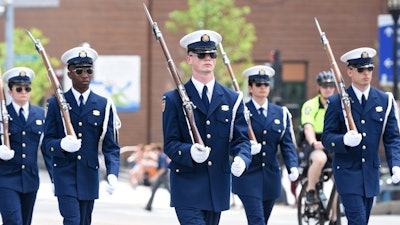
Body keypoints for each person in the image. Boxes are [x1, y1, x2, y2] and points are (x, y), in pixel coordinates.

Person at [162, 29, 251, 225]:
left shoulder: (233, 99)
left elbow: (241, 140)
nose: (207, 58)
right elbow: (169, 144)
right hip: (186, 185)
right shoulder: (174, 99)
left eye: (212, 54)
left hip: (216, 186)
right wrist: (189, 151)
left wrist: (242, 158)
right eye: (201, 55)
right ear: (189, 59)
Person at [42, 46, 120, 225]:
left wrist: (112, 172)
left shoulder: (103, 105)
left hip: (89, 175)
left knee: (84, 221)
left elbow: (111, 145)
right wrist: (61, 144)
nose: (85, 75)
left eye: (89, 70)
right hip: (64, 174)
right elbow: (46, 143)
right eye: (79, 70)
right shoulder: (55, 104)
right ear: (69, 73)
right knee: (72, 220)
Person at [322, 47, 400, 225]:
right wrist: (343, 140)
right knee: (357, 220)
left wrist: (396, 164)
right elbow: (327, 138)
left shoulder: (384, 100)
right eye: (361, 69)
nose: (366, 73)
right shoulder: (336, 102)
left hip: (370, 173)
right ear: (350, 71)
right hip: (347, 172)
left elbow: (392, 137)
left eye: (369, 69)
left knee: (362, 221)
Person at [231, 65, 299, 224]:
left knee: (262, 220)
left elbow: (287, 144)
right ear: (250, 87)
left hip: (270, 176)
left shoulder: (280, 113)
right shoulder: (240, 110)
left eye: (266, 84)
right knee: (257, 220)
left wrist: (293, 165)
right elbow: (232, 140)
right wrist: (246, 149)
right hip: (248, 175)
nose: (263, 87)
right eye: (258, 84)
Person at [0, 67, 52, 225]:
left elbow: (46, 148)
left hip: (30, 178)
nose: (24, 91)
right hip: (6, 178)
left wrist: (55, 178)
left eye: (27, 88)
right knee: (13, 221)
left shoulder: (41, 114)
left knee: (25, 222)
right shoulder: (2, 114)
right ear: (10, 92)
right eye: (19, 88)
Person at [300, 70, 336, 205]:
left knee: (340, 178)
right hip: (315, 143)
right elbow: (308, 127)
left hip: (332, 143)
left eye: (331, 86)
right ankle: (310, 190)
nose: (328, 89)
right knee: (320, 159)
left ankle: (334, 217)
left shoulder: (338, 104)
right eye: (325, 86)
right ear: (319, 87)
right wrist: (314, 142)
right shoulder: (310, 105)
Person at [145, 143, 170, 211]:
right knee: (154, 189)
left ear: (157, 150)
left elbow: (163, 168)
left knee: (169, 190)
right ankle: (148, 206)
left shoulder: (162, 156)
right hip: (162, 175)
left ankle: (178, 202)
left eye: (154, 150)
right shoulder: (160, 156)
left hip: (163, 175)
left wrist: (156, 176)